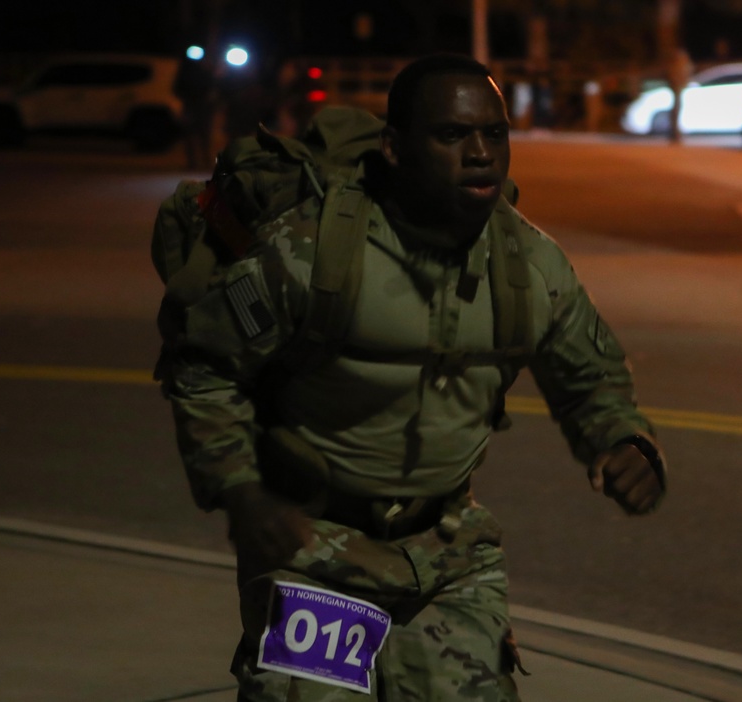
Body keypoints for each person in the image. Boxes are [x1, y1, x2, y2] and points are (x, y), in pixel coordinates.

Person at [157, 54, 666, 701]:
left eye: (494, 134)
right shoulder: (311, 253)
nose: (480, 153)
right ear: (395, 149)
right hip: (319, 552)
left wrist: (623, 438)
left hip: (450, 553)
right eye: (452, 136)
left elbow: (592, 377)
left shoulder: (529, 265)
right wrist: (242, 491)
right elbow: (204, 366)